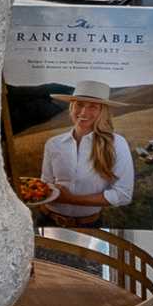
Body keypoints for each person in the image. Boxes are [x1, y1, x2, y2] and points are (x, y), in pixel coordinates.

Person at [36, 86, 138, 216]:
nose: (83, 112)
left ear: (103, 111)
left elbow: (123, 195)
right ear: (71, 107)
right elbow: (46, 183)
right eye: (79, 105)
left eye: (93, 107)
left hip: (89, 224)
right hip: (47, 216)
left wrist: (71, 199)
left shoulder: (116, 143)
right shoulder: (53, 143)